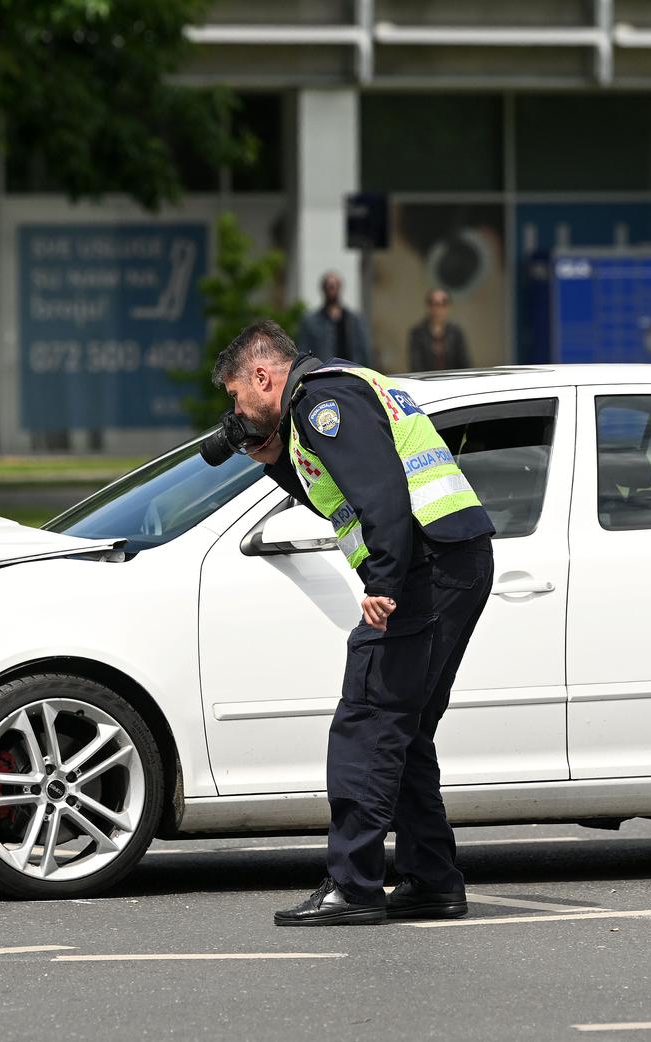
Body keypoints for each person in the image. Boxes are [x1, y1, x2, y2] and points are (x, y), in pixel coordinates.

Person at [211, 319, 495, 927]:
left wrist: (384, 584)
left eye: (236, 395)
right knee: (403, 726)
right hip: (450, 559)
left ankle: (355, 885)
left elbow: (383, 495)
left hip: (424, 569)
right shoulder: (334, 393)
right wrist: (274, 460)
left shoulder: (322, 403)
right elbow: (342, 498)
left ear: (263, 377)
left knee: (367, 723)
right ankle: (431, 881)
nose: (237, 408)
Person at [295, 270, 372, 368]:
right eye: (329, 287)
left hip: (351, 373)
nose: (332, 290)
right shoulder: (310, 322)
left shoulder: (354, 320)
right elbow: (304, 351)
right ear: (323, 289)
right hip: (324, 375)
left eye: (334, 286)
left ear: (340, 288)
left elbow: (364, 352)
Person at [406, 289, 471, 372]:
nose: (439, 308)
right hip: (425, 382)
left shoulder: (456, 332)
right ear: (428, 306)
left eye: (443, 303)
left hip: (453, 381)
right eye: (435, 303)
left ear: (449, 306)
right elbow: (415, 365)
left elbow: (464, 362)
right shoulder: (417, 333)